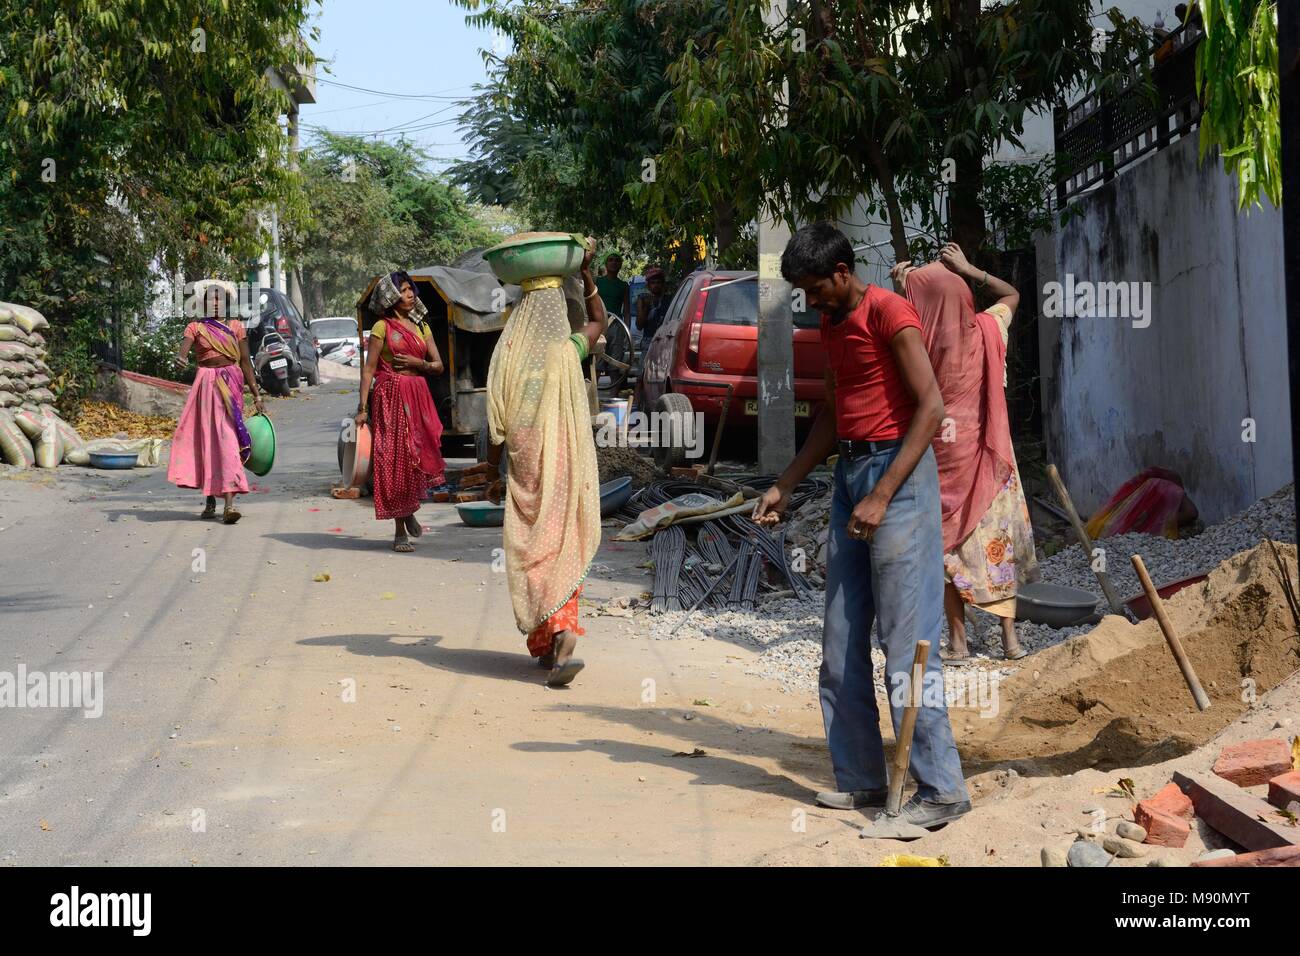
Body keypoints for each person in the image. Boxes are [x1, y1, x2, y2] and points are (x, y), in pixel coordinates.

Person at [753, 223, 970, 829]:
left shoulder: (890, 313)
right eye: (802, 291)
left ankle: (941, 790)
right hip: (852, 476)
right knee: (842, 643)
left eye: (816, 289)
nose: (810, 301)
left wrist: (881, 494)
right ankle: (864, 781)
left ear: (843, 272)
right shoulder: (830, 323)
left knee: (907, 646)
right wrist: (787, 482)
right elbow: (833, 410)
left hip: (896, 479)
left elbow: (931, 409)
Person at [891, 246, 1039, 662]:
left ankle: (958, 643)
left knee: (946, 549)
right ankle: (1009, 640)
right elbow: (1011, 295)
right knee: (997, 547)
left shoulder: (914, 343)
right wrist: (971, 269)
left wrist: (903, 294)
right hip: (989, 460)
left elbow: (896, 334)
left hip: (939, 461)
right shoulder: (987, 330)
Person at [477, 241, 606, 688]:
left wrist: (492, 470)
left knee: (534, 545)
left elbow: (493, 421)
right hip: (564, 460)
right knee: (562, 538)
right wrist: (587, 276)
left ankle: (555, 640)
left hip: (525, 459)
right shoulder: (568, 350)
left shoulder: (507, 352)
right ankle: (562, 638)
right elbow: (598, 323)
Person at [354, 272, 447, 553]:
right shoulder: (382, 328)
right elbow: (369, 370)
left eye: (411, 290)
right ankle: (399, 529)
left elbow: (439, 365)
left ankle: (408, 511)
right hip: (390, 396)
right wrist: (362, 408)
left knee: (415, 456)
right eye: (404, 290)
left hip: (417, 395)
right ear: (391, 297)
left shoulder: (422, 327)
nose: (410, 295)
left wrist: (420, 363)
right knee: (393, 459)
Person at [168, 284, 265, 524]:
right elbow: (183, 351)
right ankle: (211, 498)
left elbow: (245, 361)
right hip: (206, 387)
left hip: (230, 385)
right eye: (210, 299)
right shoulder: (195, 327)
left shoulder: (236, 327)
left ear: (226, 303)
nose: (214, 303)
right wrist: (180, 359)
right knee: (207, 440)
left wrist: (257, 394)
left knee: (227, 441)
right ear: (202, 303)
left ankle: (229, 505)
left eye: (218, 299)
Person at [635, 267, 671, 343]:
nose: (656, 285)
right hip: (648, 340)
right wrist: (647, 306)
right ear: (648, 285)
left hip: (666, 340)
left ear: (663, 284)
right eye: (653, 283)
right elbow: (639, 326)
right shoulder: (643, 299)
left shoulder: (669, 300)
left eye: (658, 282)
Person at [594, 253, 631, 320]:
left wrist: (626, 328)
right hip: (598, 322)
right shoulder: (596, 281)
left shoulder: (624, 285)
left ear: (620, 265)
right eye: (610, 260)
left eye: (617, 260)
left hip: (615, 324)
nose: (613, 262)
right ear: (606, 264)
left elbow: (627, 311)